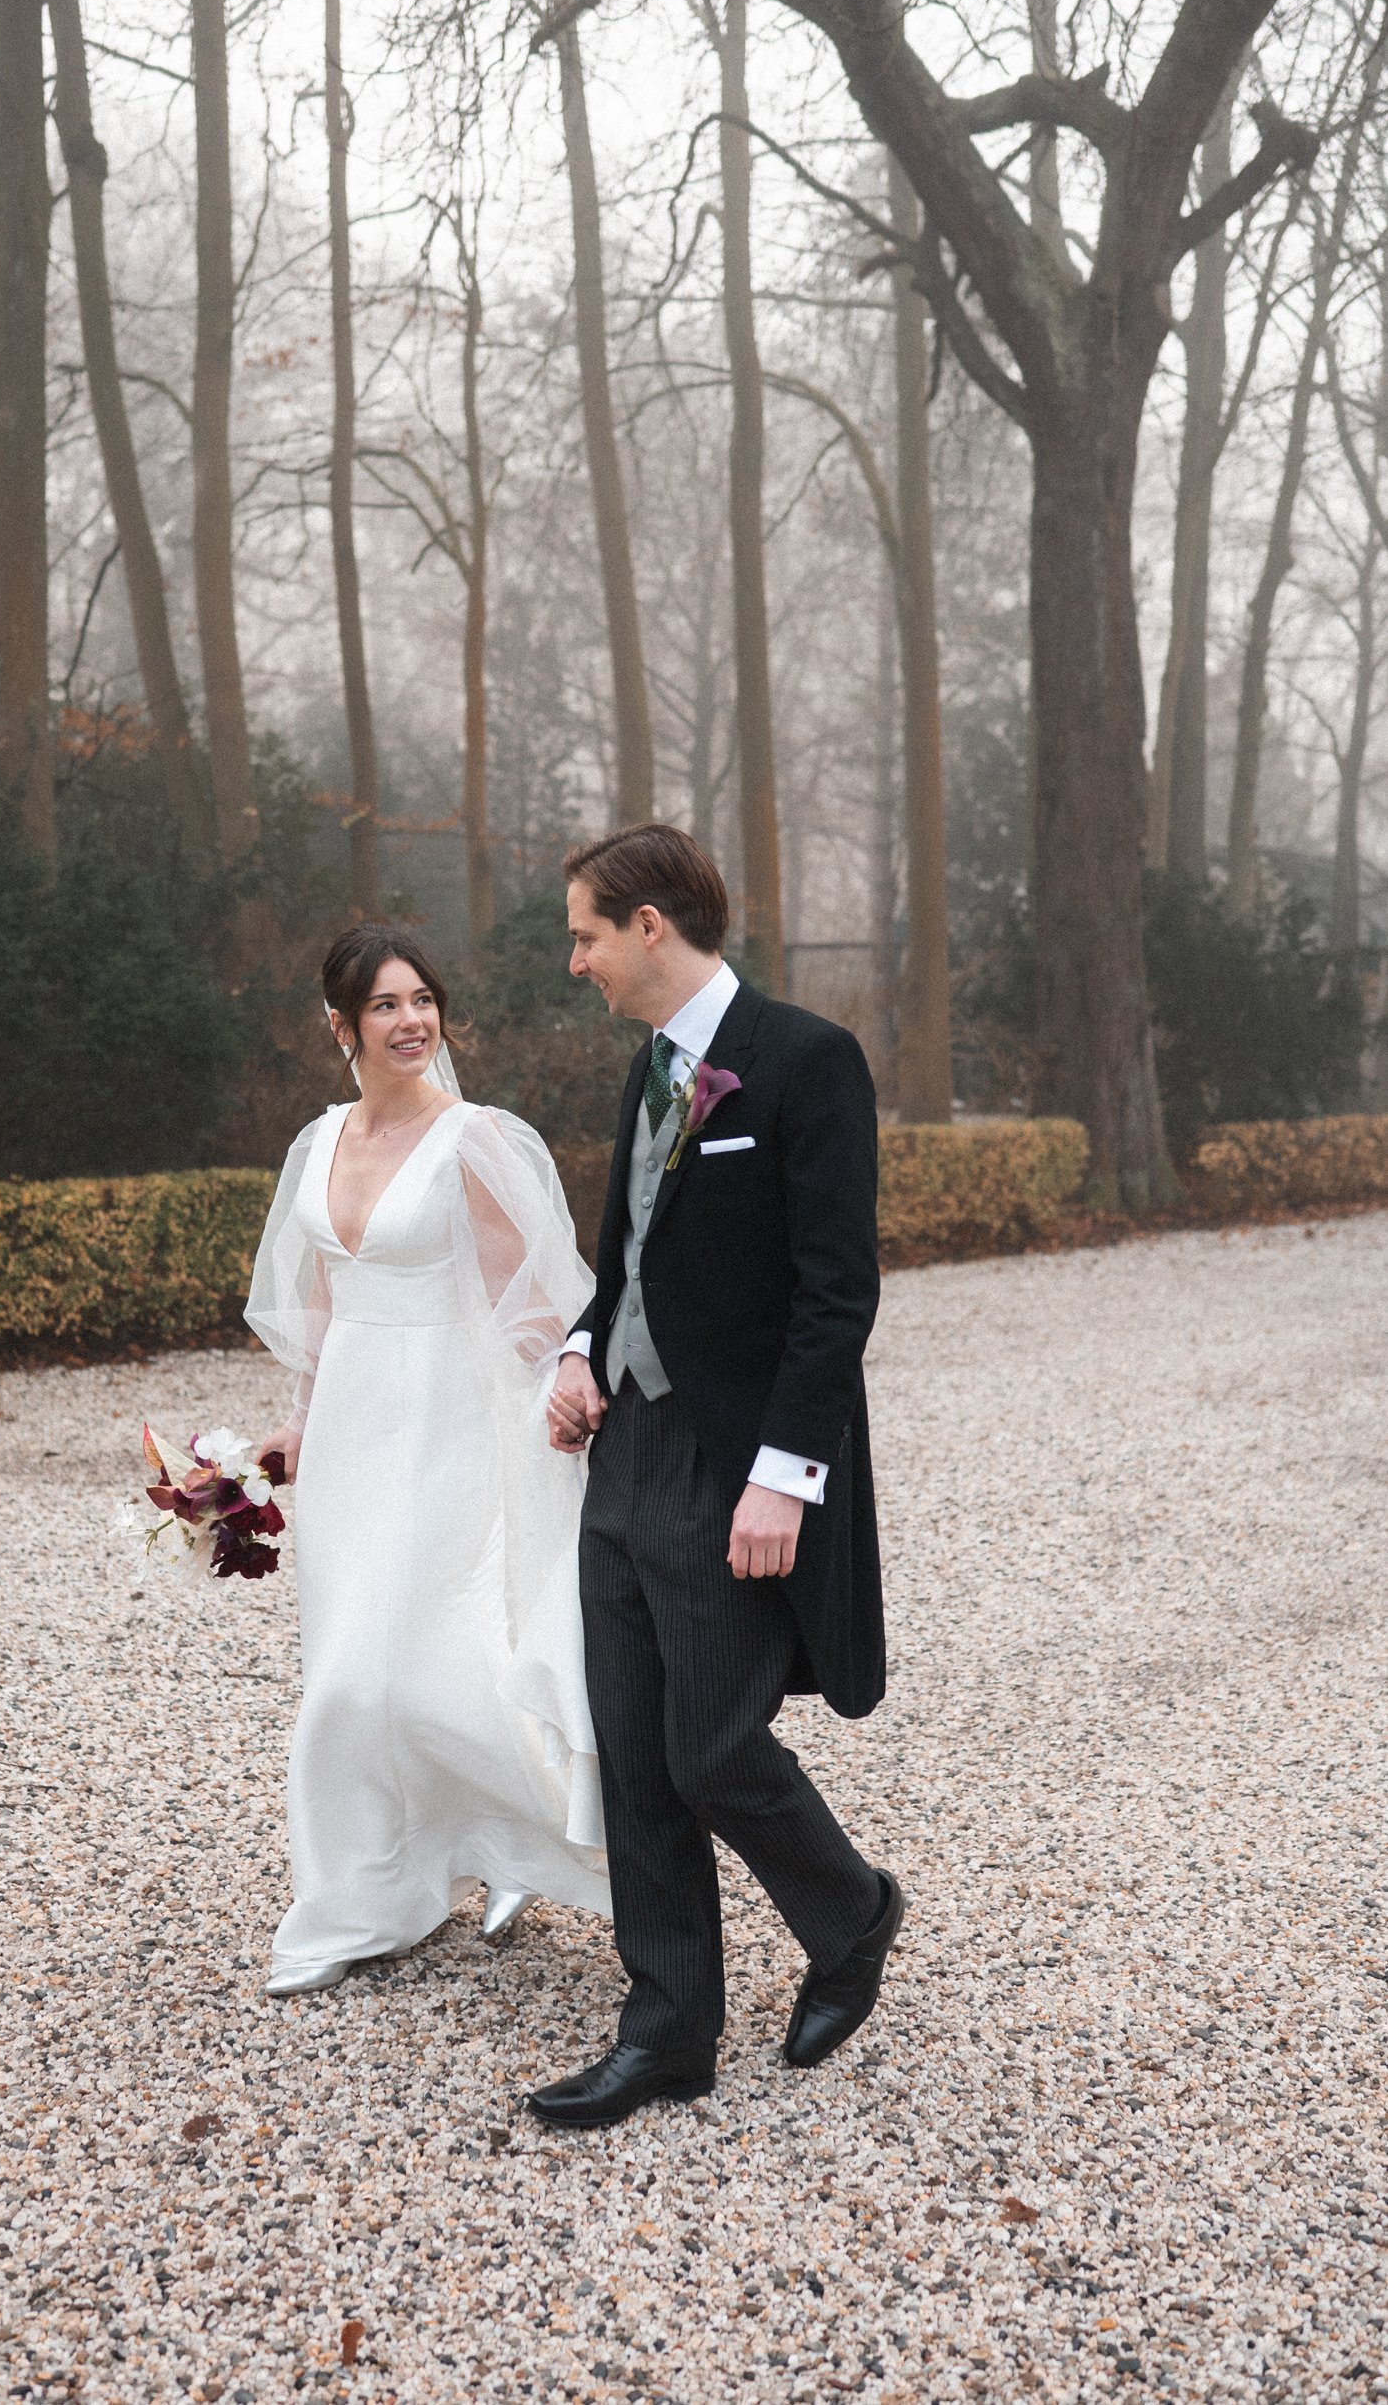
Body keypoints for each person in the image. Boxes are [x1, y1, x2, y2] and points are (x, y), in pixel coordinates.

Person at [530, 823, 903, 2128]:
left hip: (730, 1461)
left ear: (648, 926)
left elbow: (834, 1291)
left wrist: (783, 1475)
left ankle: (850, 1912)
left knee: (709, 1747)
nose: (573, 960)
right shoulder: (647, 1069)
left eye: (583, 933)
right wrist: (580, 1354)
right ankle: (666, 2030)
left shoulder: (805, 1060)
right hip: (625, 1453)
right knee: (634, 1753)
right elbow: (628, 1261)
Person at [246, 922, 610, 1995]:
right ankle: (423, 1865)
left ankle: (386, 1893)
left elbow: (528, 1301)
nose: (411, 1022)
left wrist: (560, 1411)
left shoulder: (473, 1140)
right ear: (341, 1027)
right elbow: (322, 1296)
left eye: (421, 1000)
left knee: (392, 1667)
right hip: (350, 1428)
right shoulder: (320, 1141)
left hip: (449, 1422)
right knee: (353, 1658)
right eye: (384, 1006)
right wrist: (300, 1421)